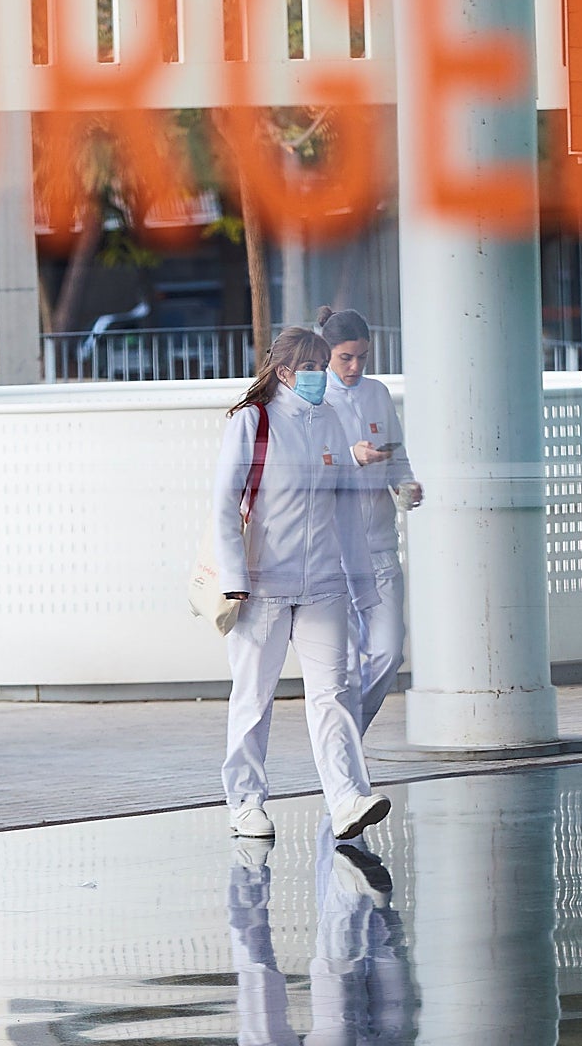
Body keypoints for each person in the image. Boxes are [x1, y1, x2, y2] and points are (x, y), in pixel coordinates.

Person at [214, 327, 391, 843]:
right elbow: (225, 503)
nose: (321, 375)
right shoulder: (255, 421)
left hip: (325, 586)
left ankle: (347, 800)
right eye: (311, 367)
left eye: (323, 365)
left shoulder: (330, 420)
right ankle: (245, 802)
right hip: (262, 587)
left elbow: (345, 508)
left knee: (335, 695)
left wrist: (363, 586)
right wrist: (234, 579)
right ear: (286, 372)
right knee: (253, 698)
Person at [317, 307, 423, 736]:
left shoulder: (377, 393)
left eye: (363, 356)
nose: (356, 366)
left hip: (379, 544)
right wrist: (351, 457)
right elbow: (308, 467)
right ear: (327, 353)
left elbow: (396, 453)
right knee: (341, 666)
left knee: (388, 651)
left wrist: (406, 484)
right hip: (333, 549)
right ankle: (342, 751)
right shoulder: (313, 398)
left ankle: (345, 734)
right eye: (346, 357)